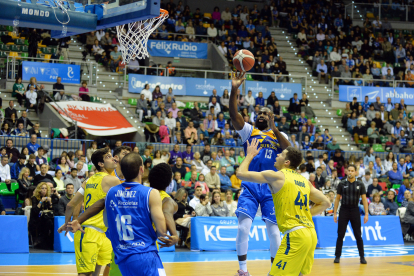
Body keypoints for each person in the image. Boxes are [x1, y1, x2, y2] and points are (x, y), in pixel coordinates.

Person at [237, 142, 330, 276]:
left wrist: (250, 155)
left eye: (281, 154)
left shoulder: (276, 176)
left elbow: (240, 173)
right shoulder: (304, 181)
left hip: (295, 235)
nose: (277, 154)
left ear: (286, 162)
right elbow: (325, 203)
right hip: (310, 234)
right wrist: (305, 214)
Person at [229, 72, 290, 275]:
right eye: (260, 114)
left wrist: (274, 128)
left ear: (271, 117)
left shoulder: (278, 135)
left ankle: (274, 271)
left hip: (272, 188)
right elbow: (233, 115)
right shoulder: (249, 131)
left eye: (266, 113)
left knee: (274, 233)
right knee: (243, 228)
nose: (262, 115)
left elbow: (290, 150)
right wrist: (235, 89)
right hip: (250, 186)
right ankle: (243, 270)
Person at [57, 148, 120, 276]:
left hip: (97, 233)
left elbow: (70, 205)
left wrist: (67, 223)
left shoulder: (88, 181)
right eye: (108, 157)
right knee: (89, 273)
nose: (113, 158)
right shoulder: (112, 180)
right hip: (93, 232)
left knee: (91, 273)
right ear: (101, 164)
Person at [333, 165, 368, 264]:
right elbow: (337, 199)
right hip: (344, 210)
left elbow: (364, 200)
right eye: (349, 170)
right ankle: (337, 256)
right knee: (340, 234)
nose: (350, 172)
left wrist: (366, 214)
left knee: (358, 235)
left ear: (356, 172)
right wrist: (335, 213)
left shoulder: (360, 184)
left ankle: (362, 257)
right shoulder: (342, 183)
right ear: (346, 172)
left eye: (352, 171)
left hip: (355, 210)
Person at [29, 182, 54, 248]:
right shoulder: (35, 198)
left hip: (45, 218)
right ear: (39, 190)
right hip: (36, 219)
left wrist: (50, 202)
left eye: (45, 188)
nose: (44, 190)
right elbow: (34, 211)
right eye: (42, 188)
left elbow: (52, 210)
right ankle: (42, 242)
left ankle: (50, 241)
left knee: (51, 222)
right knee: (47, 222)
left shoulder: (48, 198)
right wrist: (41, 202)